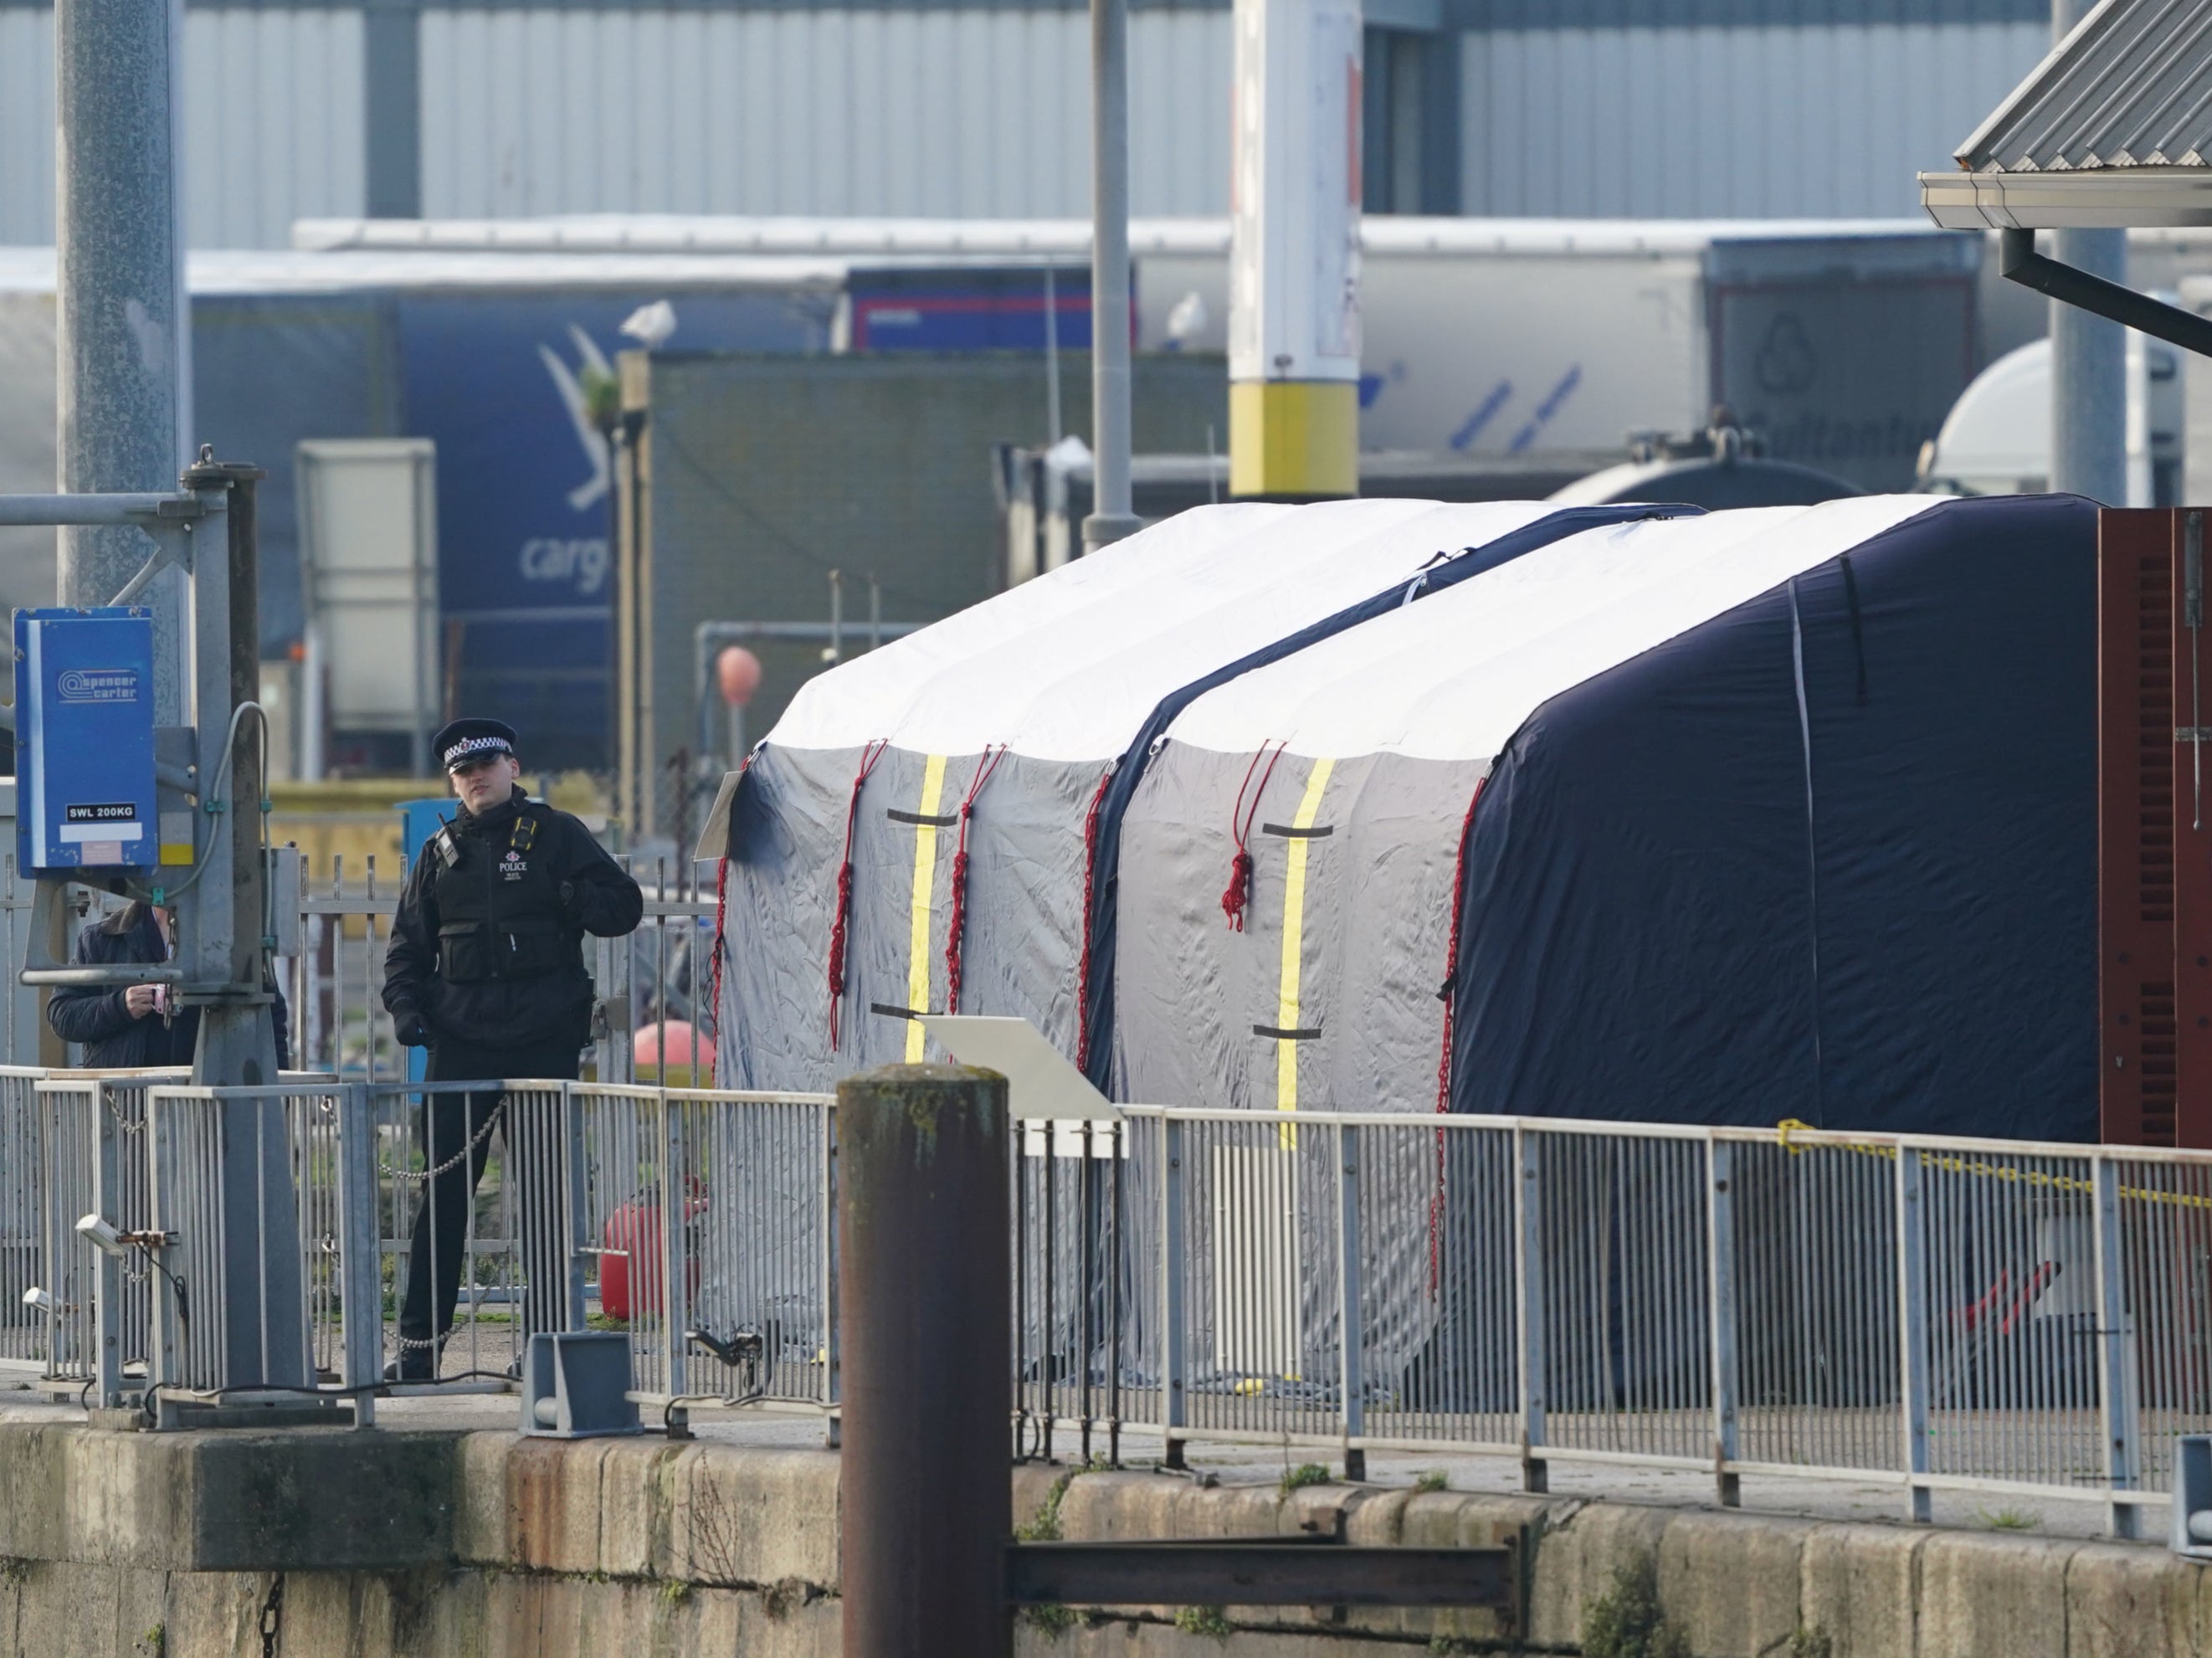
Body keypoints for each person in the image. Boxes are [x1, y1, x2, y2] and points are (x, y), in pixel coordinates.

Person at [382, 717, 643, 1379]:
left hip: (541, 1044)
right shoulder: (440, 851)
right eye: (461, 771)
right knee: (440, 1205)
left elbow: (624, 906)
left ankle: (547, 1353)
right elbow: (406, 950)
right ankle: (416, 1356)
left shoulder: (555, 834)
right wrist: (408, 1009)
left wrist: (568, 893)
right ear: (453, 781)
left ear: (512, 767)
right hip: (461, 1046)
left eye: (486, 764)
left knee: (548, 1204)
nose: (474, 777)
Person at [47, 900, 290, 1069]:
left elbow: (270, 1018)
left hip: (206, 1107)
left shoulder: (229, 941)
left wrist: (276, 1098)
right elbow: (63, 1014)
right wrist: (121, 1006)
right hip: (124, 1107)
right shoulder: (102, 939)